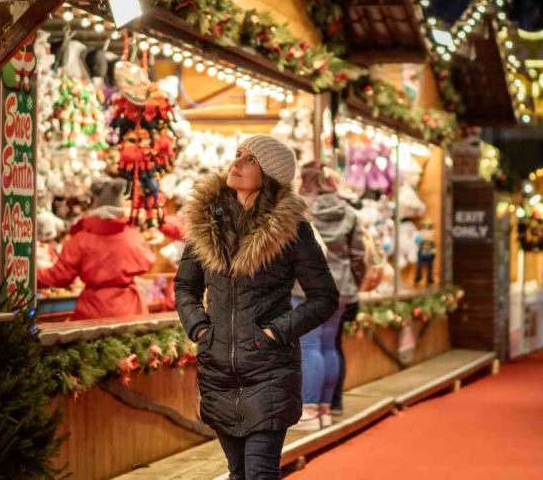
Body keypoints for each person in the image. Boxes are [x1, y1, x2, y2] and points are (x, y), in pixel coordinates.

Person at [175, 135, 339, 480]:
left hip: (269, 369)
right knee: (238, 473)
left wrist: (275, 331)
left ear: (270, 174)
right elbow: (185, 286)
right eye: (237, 155)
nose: (236, 164)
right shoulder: (207, 226)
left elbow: (324, 297)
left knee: (260, 472)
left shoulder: (291, 230)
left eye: (250, 160)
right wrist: (201, 330)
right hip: (218, 370)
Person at [292, 162, 366, 429]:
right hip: (341, 288)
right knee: (328, 346)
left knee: (308, 347)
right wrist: (353, 283)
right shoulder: (348, 211)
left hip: (306, 289)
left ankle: (309, 412)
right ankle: (325, 409)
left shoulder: (298, 209)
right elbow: (358, 255)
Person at [38, 177, 155, 320]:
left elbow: (59, 277)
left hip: (94, 311)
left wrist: (29, 277)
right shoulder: (134, 237)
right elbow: (148, 262)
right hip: (132, 310)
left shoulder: (80, 240)